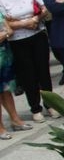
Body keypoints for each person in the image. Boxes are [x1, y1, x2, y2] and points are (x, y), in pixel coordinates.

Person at [0, 9, 33, 138]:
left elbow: (8, 29)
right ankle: (1, 128)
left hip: (4, 53)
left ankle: (15, 120)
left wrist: (6, 34)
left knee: (7, 89)